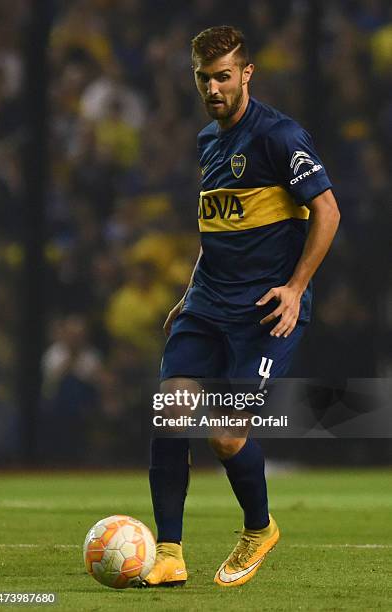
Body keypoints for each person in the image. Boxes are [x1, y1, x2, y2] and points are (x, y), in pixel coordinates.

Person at [144, 26, 340, 588]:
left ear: (247, 73)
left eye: (224, 76)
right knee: (171, 411)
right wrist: (188, 295)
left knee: (226, 435)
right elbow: (218, 230)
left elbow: (327, 211)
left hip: (263, 310)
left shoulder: (280, 136)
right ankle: (169, 552)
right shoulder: (208, 140)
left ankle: (259, 527)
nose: (213, 88)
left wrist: (297, 287)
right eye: (204, 78)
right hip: (207, 303)